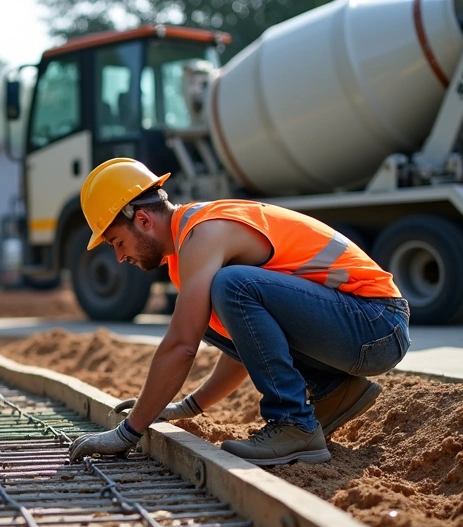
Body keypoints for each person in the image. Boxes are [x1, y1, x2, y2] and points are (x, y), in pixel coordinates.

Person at [68, 158, 409, 466]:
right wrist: (186, 408)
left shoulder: (204, 233)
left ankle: (293, 423)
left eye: (117, 242)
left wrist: (127, 432)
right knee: (208, 303)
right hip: (360, 327)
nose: (119, 257)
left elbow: (181, 346)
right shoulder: (189, 252)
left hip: (377, 324)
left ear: (142, 220)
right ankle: (334, 391)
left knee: (230, 286)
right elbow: (249, 340)